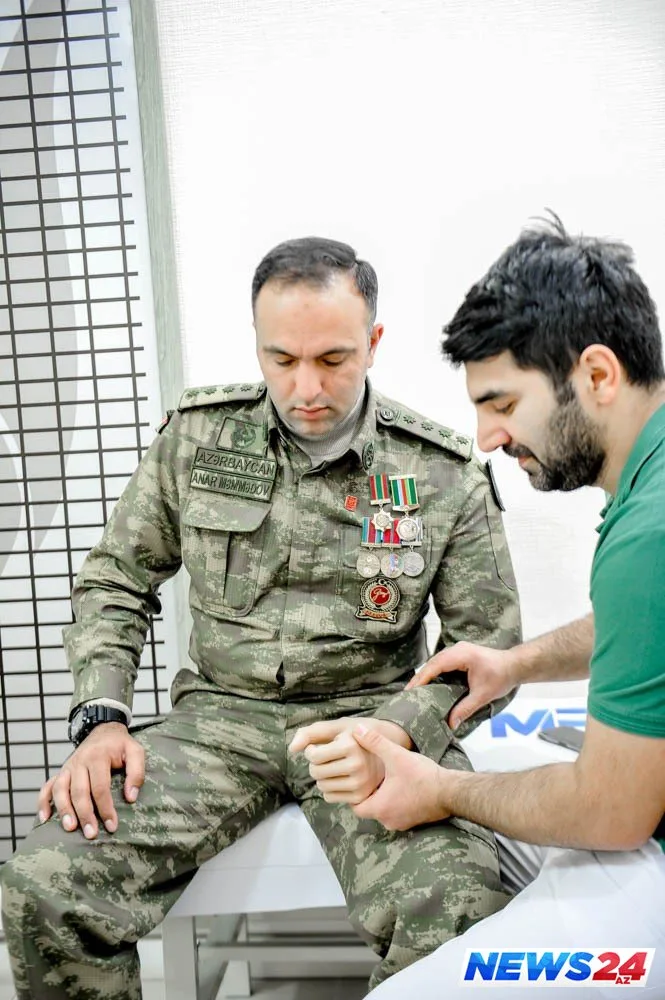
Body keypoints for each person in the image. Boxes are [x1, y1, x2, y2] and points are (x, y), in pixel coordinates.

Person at [1, 237, 521, 1000]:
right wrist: (102, 720)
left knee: (458, 903)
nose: (305, 386)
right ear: (256, 342)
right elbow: (116, 578)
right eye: (281, 359)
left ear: (373, 343)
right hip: (217, 723)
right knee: (45, 883)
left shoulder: (438, 474)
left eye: (333, 359)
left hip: (367, 725)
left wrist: (404, 728)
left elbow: (486, 646)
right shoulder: (199, 440)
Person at [334, 218, 665, 998]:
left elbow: (610, 811)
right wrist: (514, 662)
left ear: (595, 374)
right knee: (500, 768)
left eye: (502, 403)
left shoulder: (646, 538)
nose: (485, 438)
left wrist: (436, 788)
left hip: (644, 838)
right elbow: (645, 626)